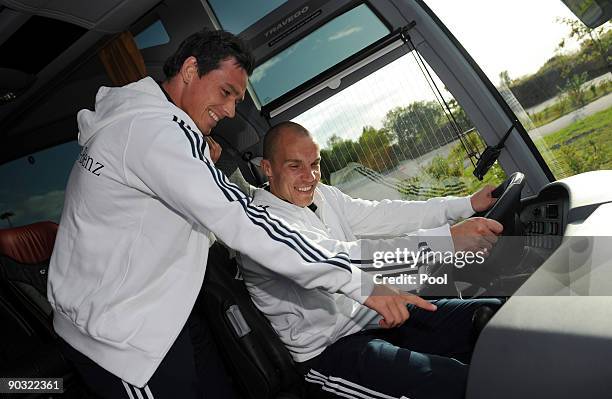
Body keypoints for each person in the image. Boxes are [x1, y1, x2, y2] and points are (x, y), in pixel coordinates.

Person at [47, 29, 429, 399]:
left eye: (236, 99)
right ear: (191, 70)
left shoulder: (150, 128)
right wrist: (360, 282)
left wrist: (200, 157)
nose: (230, 110)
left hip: (166, 315)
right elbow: (242, 219)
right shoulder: (151, 130)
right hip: (118, 336)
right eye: (226, 92)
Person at [238, 121, 504, 399]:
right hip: (331, 351)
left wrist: (466, 204)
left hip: (374, 317)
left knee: (496, 317)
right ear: (267, 168)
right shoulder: (260, 226)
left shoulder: (322, 195)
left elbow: (386, 216)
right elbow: (343, 261)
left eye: (315, 164)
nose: (310, 176)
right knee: (458, 384)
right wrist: (445, 241)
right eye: (295, 166)